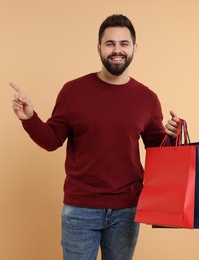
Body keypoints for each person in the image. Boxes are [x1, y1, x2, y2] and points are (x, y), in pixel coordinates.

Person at [10, 14, 179, 260]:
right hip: (80, 209)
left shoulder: (147, 98)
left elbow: (157, 151)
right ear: (99, 48)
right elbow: (52, 140)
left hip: (127, 209)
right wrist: (29, 118)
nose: (117, 50)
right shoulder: (73, 91)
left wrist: (172, 137)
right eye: (110, 44)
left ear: (134, 48)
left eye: (124, 43)